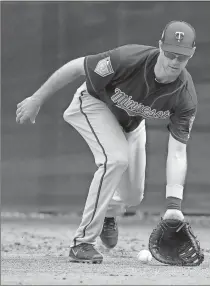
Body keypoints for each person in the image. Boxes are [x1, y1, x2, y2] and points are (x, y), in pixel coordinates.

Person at [16, 20, 197, 264]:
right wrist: (37, 99)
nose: (175, 61)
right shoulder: (129, 59)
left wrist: (174, 205)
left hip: (130, 124)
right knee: (116, 158)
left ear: (192, 54)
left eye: (182, 56)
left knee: (133, 196)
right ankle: (82, 243)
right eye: (170, 54)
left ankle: (108, 214)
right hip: (93, 104)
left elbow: (177, 152)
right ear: (160, 47)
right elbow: (77, 67)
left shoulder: (184, 95)